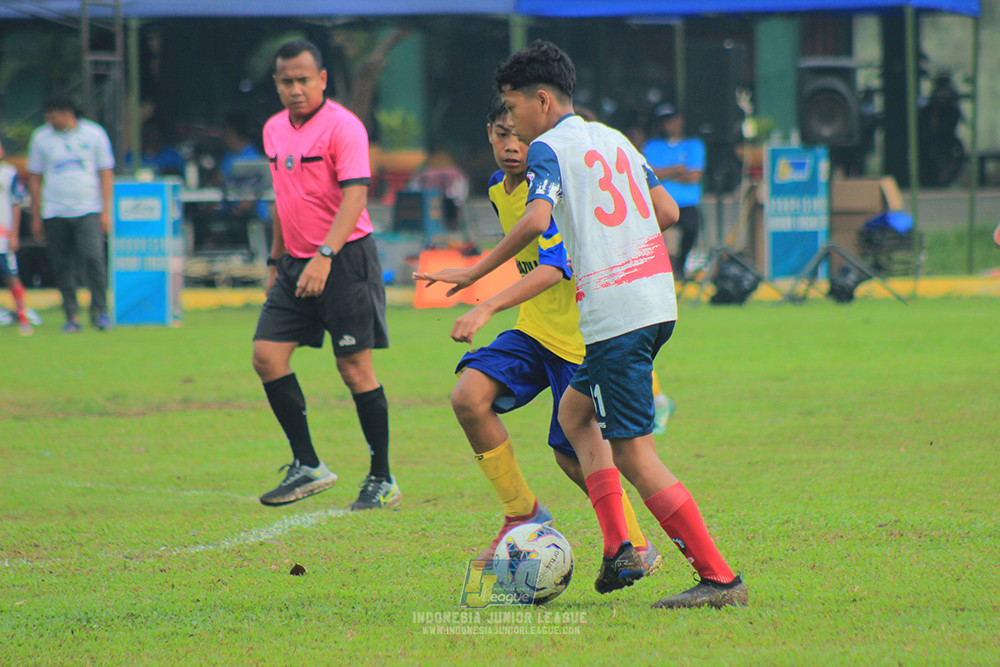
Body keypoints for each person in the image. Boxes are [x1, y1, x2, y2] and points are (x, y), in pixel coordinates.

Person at [418, 40, 746, 609]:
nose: (513, 125)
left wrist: (477, 272)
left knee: (635, 455)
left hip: (617, 316)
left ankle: (719, 580)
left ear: (541, 100)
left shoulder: (548, 149)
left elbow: (537, 221)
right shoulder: (614, 138)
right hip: (653, 302)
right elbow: (666, 213)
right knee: (573, 415)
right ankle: (620, 543)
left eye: (513, 108)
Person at [422, 97, 662, 573]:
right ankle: (522, 512)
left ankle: (636, 544)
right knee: (468, 397)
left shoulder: (547, 190)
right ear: (487, 134)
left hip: (579, 340)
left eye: (521, 137)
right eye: (500, 135)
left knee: (574, 457)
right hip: (534, 330)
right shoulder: (497, 188)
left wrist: (485, 301)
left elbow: (554, 268)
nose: (511, 147)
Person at [253, 40, 399, 512]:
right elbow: (283, 197)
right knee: (266, 356)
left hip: (346, 260)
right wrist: (276, 262)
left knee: (355, 370)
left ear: (322, 79)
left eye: (303, 80)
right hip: (295, 261)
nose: (295, 89)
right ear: (276, 84)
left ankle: (382, 477)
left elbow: (355, 197)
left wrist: (325, 255)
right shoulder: (274, 129)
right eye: (285, 81)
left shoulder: (344, 127)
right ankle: (307, 464)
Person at [27, 94, 115, 332]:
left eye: (53, 117)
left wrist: (106, 211)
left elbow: (106, 173)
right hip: (54, 210)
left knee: (92, 258)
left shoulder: (94, 134)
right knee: (61, 265)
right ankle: (72, 316)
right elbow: (35, 178)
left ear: (68, 113)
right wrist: (36, 215)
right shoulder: (41, 138)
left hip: (88, 208)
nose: (50, 122)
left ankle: (100, 312)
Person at [642, 103, 705, 282]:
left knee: (691, 226)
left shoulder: (693, 144)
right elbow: (647, 173)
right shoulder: (652, 145)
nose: (668, 125)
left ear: (679, 120)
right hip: (658, 203)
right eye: (664, 122)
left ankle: (680, 265)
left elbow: (694, 176)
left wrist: (663, 173)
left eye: (671, 120)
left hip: (686, 203)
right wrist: (677, 169)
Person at [0, 138, 33, 336]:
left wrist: (14, 233)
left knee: (11, 276)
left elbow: (16, 203)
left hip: (3, 238)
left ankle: (22, 314)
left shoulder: (9, 174)